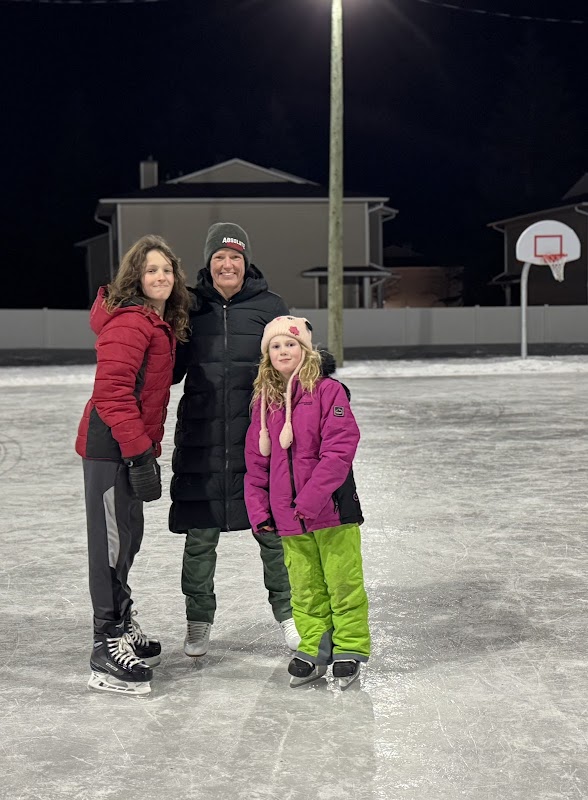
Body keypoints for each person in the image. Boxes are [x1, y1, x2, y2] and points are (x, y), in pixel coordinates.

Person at [169, 222, 300, 657]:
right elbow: (170, 370)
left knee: (273, 533)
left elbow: (294, 363)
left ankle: (290, 617)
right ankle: (198, 622)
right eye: (220, 257)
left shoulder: (271, 306)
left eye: (236, 257)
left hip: (258, 440)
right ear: (209, 262)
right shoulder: (189, 305)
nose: (228, 264)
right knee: (200, 538)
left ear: (246, 263)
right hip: (202, 439)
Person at [75, 234, 191, 696]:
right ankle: (105, 647)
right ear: (135, 278)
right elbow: (112, 394)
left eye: (166, 270)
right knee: (109, 544)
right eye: (151, 271)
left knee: (127, 540)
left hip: (126, 447)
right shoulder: (130, 322)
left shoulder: (157, 323)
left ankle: (121, 623)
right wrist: (139, 451)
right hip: (111, 449)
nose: (160, 277)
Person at [244, 316, 370, 689]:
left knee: (343, 581)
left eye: (291, 344)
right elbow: (255, 463)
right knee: (304, 586)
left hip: (331, 511)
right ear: (268, 355)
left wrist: (310, 500)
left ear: (306, 350)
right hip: (288, 517)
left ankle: (350, 648)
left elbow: (340, 450)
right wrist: (260, 509)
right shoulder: (264, 403)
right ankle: (315, 646)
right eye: (276, 346)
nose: (284, 351)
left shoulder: (329, 391)